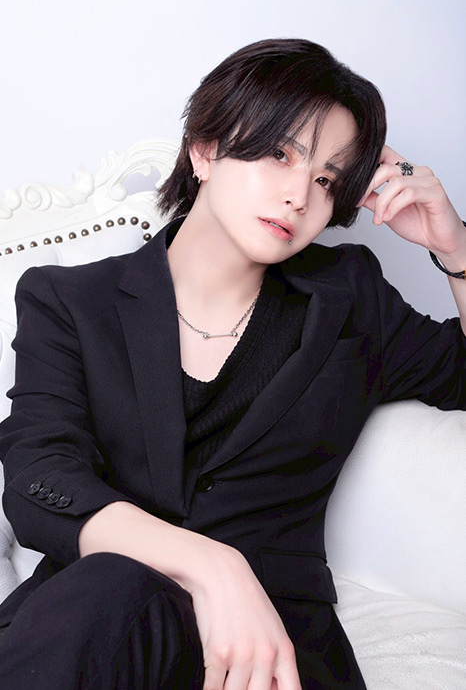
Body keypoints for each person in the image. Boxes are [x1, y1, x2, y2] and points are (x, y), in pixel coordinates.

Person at [0, 37, 465, 690]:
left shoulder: (349, 299)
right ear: (205, 149)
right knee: (110, 587)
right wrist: (214, 567)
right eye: (281, 154)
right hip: (97, 630)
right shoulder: (69, 301)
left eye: (327, 180)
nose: (300, 196)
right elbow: (39, 479)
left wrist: (455, 248)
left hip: (268, 650)